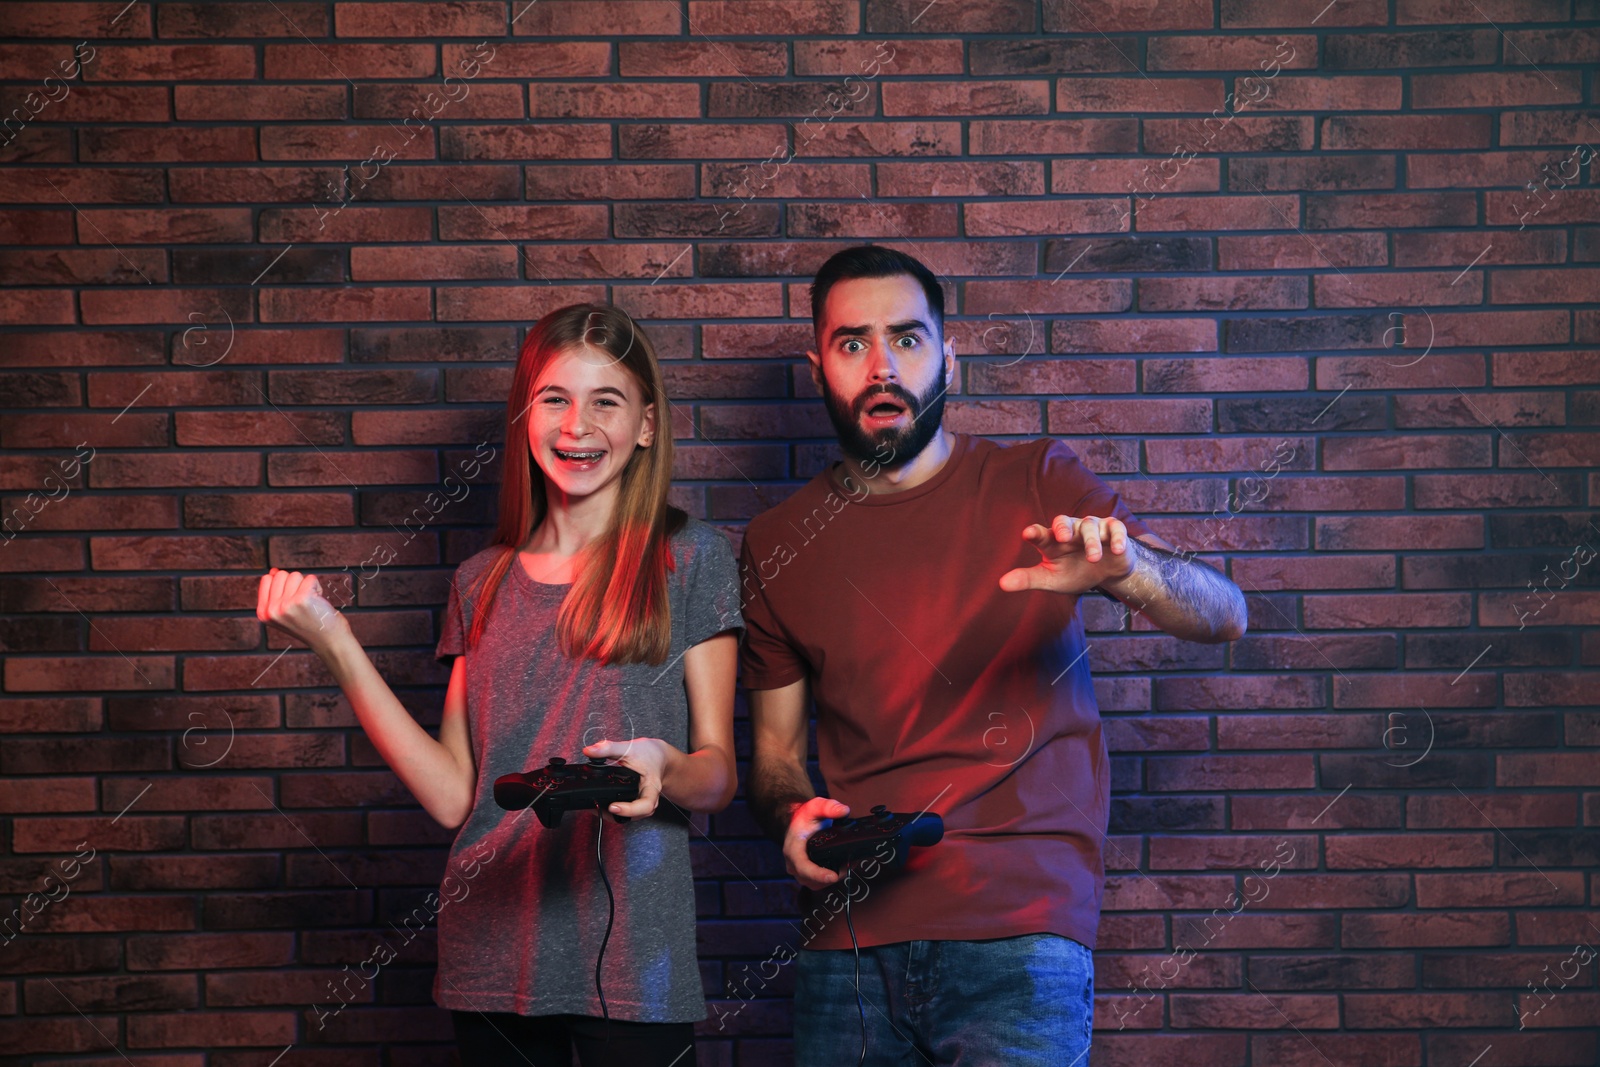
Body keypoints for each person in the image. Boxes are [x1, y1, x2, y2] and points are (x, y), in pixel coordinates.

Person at [738, 246, 1248, 1066]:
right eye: (851, 343)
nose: (881, 367)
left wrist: (1129, 570)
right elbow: (771, 757)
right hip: (850, 944)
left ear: (949, 355)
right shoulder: (773, 543)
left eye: (907, 339)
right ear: (817, 366)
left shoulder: (1038, 480)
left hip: (1020, 934)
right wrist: (792, 814)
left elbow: (1225, 615)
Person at [258, 303, 742, 1067]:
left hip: (635, 954)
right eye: (555, 398)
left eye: (605, 400)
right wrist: (336, 643)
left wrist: (665, 763)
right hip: (490, 946)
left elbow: (717, 775)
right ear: (526, 417)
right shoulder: (479, 581)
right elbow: (457, 794)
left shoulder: (694, 557)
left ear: (647, 424)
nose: (577, 424)